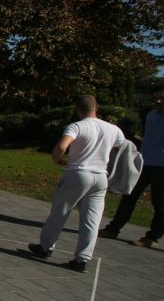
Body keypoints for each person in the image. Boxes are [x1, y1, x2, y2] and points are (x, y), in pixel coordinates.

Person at [29, 95, 125, 272]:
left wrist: (57, 159)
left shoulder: (77, 126)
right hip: (100, 176)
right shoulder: (114, 129)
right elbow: (123, 148)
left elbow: (62, 146)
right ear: (97, 108)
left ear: (77, 110)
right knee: (92, 220)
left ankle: (45, 247)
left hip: (78, 173)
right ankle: (82, 260)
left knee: (60, 211)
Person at [99, 89, 163, 249]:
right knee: (129, 195)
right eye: (156, 98)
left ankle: (153, 237)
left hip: (162, 166)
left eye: (161, 98)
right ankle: (113, 229)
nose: (157, 101)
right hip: (145, 162)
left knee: (160, 203)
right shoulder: (151, 115)